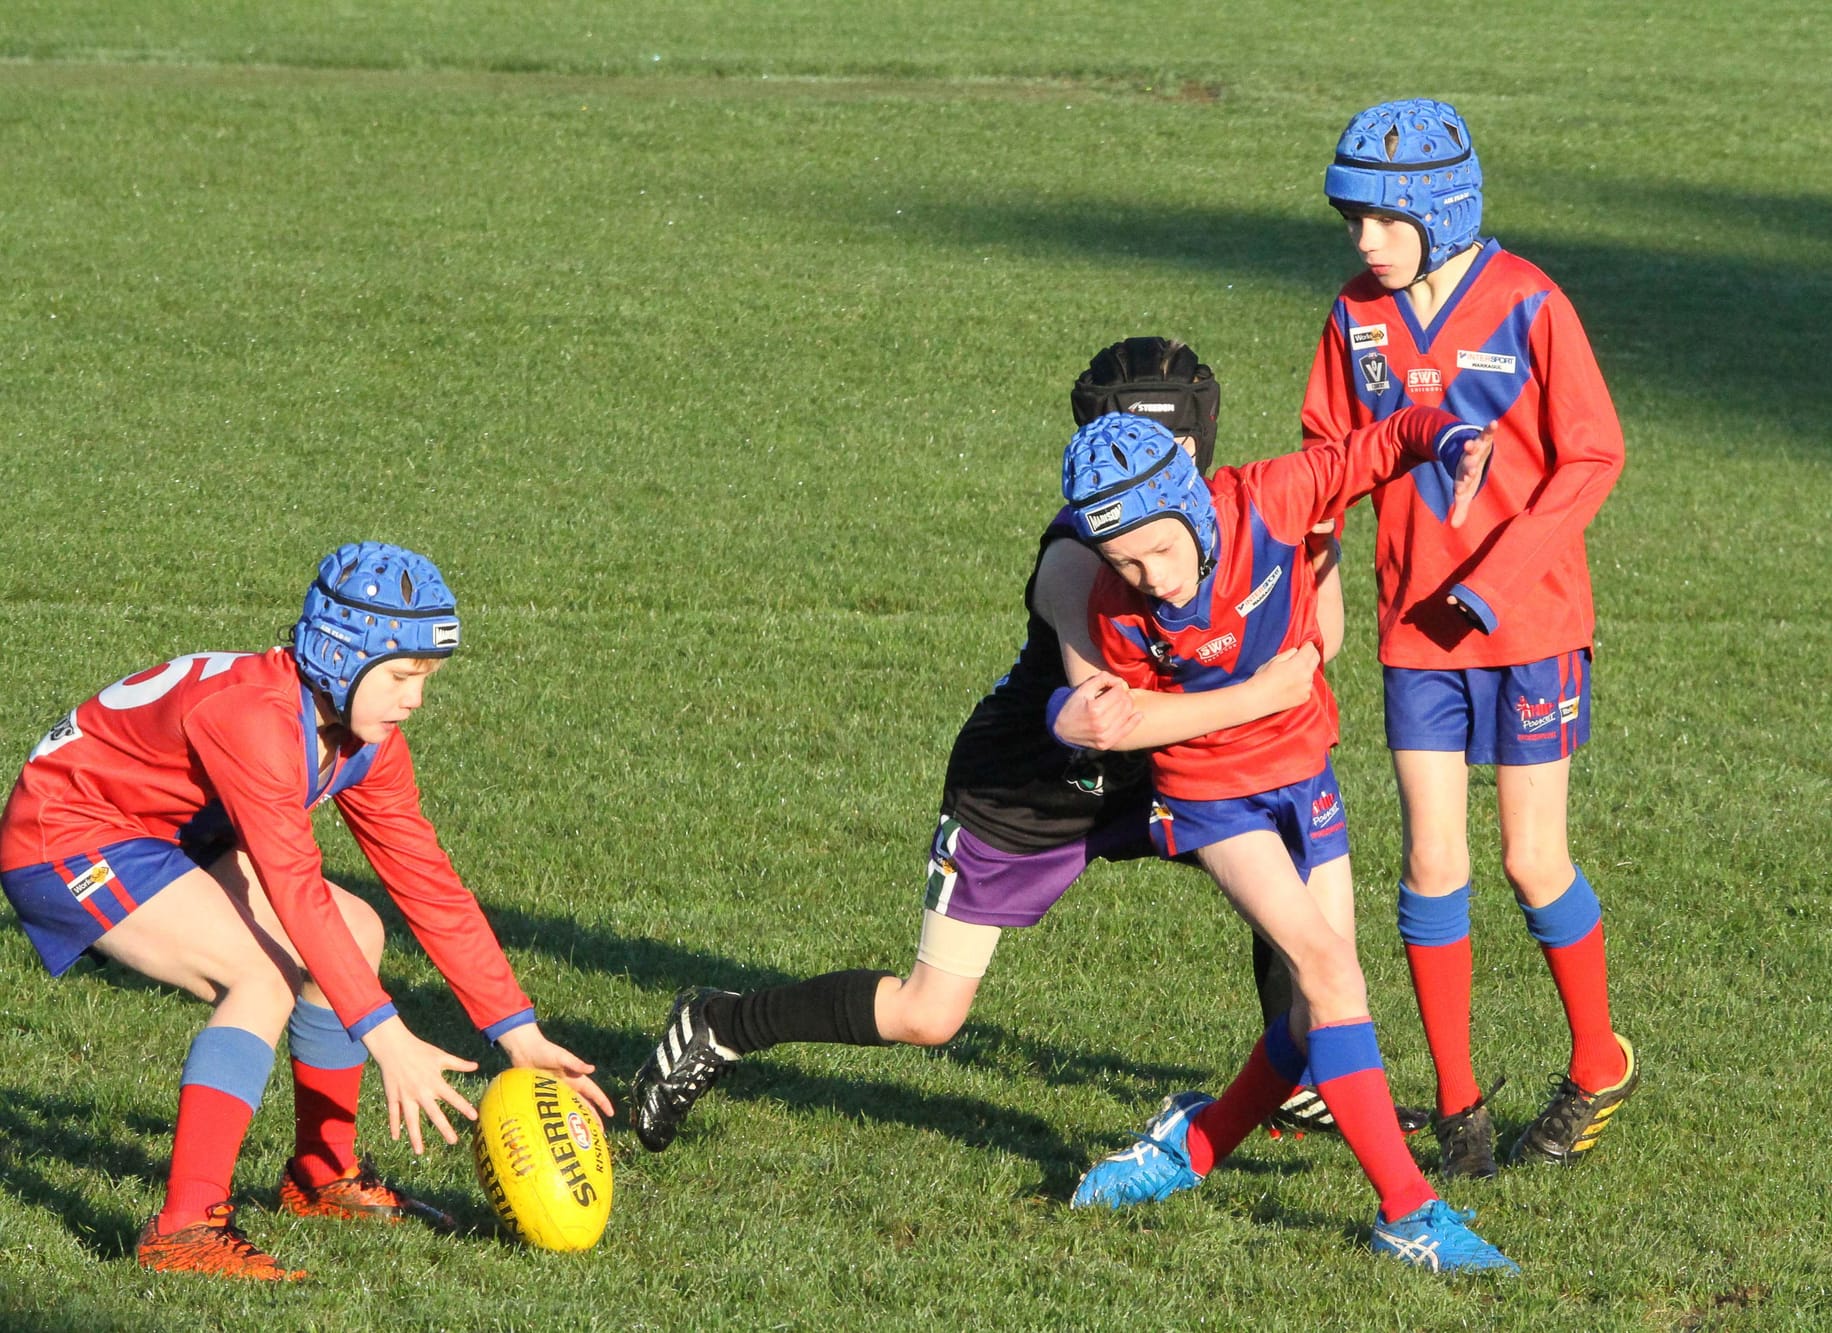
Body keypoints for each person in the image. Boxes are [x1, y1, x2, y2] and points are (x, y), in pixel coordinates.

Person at [629, 338, 1325, 1153]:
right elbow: (1112, 713)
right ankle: (720, 1023)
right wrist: (1262, 694)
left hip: (1156, 779)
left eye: (1178, 446)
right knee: (930, 1013)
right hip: (1029, 793)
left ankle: (1300, 1069)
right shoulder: (1078, 553)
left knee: (1280, 841)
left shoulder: (1213, 523)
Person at [0, 542, 611, 1281]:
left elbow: (426, 879)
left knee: (360, 930)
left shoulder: (363, 737)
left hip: (163, 829)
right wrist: (387, 1035)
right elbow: (295, 884)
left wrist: (518, 1029)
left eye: (425, 678)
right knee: (261, 974)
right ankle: (184, 1228)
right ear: (337, 655)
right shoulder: (255, 718)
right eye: (400, 676)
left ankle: (323, 1174)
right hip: (68, 833)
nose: (415, 698)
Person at [1062, 409, 1518, 1274]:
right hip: (1208, 794)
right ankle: (1408, 1209)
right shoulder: (1116, 605)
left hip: (1304, 770)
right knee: (1332, 969)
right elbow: (1130, 721)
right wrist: (1259, 694)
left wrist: (1450, 440)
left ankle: (1190, 1144)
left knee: (1316, 1013)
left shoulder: (1269, 500)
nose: (1149, 578)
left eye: (1158, 551)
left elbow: (1376, 446)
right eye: (1123, 561)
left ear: (1191, 507)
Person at [1303, 97, 1635, 1179]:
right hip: (1414, 634)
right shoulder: (1353, 318)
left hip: (1528, 626)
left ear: (1439, 213)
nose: (1360, 241)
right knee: (1429, 861)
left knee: (1528, 859)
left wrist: (1497, 577)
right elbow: (1325, 460)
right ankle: (1457, 1105)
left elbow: (1592, 455)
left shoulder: (1530, 303)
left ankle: (1597, 1063)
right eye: (1351, 219)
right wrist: (1313, 584)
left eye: (1378, 220)